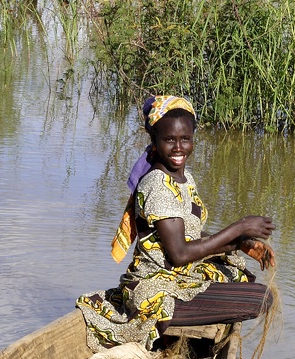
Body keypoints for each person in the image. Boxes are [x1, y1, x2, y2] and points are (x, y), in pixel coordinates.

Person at [76, 95, 276, 353]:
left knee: (238, 274)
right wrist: (240, 226)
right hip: (155, 289)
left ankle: (182, 341)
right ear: (155, 142)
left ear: (193, 139)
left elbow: (191, 232)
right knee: (261, 298)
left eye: (185, 139)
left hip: (177, 279)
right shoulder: (158, 185)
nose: (178, 147)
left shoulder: (183, 178)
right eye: (169, 140)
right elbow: (180, 254)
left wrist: (238, 244)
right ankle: (171, 337)